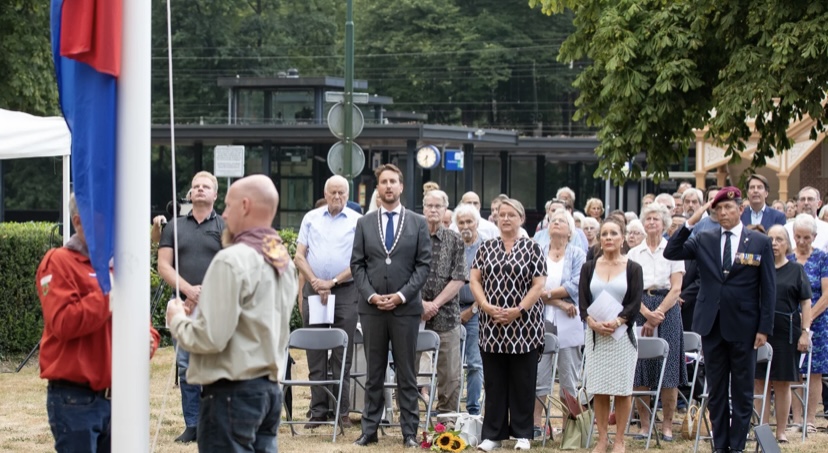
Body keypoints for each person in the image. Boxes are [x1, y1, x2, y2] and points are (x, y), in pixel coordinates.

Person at [167, 175, 298, 452]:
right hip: (269, 392)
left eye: (227, 205)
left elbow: (210, 338)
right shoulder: (283, 260)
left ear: (246, 206)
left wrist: (177, 320)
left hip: (231, 393)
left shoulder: (232, 259)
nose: (224, 214)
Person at [37, 194, 161, 453]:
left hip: (119, 398)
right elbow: (63, 323)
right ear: (78, 222)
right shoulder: (59, 262)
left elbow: (143, 322)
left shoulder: (121, 265)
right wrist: (109, 295)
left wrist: (148, 340)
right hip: (76, 400)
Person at [664, 187, 775, 453]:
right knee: (715, 391)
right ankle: (720, 445)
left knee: (742, 391)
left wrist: (764, 327)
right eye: (718, 208)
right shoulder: (705, 237)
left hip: (745, 327)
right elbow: (672, 251)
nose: (723, 212)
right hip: (712, 324)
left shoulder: (758, 242)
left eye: (729, 207)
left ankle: (737, 446)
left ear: (741, 209)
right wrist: (692, 219)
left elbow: (768, 288)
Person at [350, 164, 431, 448]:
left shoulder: (417, 222)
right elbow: (357, 264)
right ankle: (369, 430)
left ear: (401, 186)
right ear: (378, 188)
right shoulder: (364, 222)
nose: (388, 186)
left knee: (406, 374)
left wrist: (401, 296)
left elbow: (423, 266)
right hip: (371, 309)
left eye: (393, 182)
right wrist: (371, 295)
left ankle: (409, 431)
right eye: (383, 182)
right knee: (374, 372)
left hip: (405, 309)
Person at [471, 198, 546, 451]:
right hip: (491, 325)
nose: (505, 219)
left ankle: (523, 434)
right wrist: (485, 306)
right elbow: (475, 280)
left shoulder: (533, 247)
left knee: (523, 380)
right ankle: (493, 434)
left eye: (511, 215)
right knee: (494, 381)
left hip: (524, 325)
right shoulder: (486, 247)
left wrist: (519, 310)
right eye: (501, 215)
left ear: (521, 219)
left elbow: (539, 284)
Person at [156, 171, 225, 443]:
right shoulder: (174, 226)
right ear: (189, 194)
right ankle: (192, 424)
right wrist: (188, 290)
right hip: (183, 308)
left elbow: (231, 265)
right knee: (186, 365)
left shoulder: (225, 227)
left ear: (215, 194)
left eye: (205, 186)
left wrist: (204, 292)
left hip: (216, 308)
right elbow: (163, 265)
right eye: (195, 186)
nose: (199, 190)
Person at [293, 175, 361, 429]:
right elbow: (299, 256)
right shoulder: (311, 218)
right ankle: (318, 410)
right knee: (316, 351)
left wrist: (331, 282)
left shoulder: (357, 221)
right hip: (315, 289)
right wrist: (316, 281)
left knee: (343, 351)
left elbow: (359, 261)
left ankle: (341, 411)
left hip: (345, 291)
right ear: (325, 192)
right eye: (333, 192)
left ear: (347, 193)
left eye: (342, 193)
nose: (337, 197)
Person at [579, 217, 643, 453]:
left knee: (622, 389)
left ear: (622, 238)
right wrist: (592, 323)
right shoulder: (589, 267)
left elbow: (635, 302)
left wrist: (618, 321)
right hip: (596, 335)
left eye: (613, 233)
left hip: (622, 335)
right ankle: (603, 438)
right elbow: (583, 302)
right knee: (600, 388)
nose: (608, 238)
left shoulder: (633, 268)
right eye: (604, 234)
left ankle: (619, 440)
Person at [627, 203, 686, 441]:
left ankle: (668, 427)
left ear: (664, 223)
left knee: (668, 369)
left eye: (656, 219)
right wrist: (646, 314)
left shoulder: (674, 249)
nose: (651, 222)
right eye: (648, 218)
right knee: (641, 369)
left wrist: (657, 314)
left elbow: (677, 288)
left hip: (668, 308)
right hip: (640, 306)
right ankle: (644, 425)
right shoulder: (633, 253)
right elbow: (630, 289)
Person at [754, 225, 812, 442]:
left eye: (779, 239)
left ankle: (780, 431)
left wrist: (805, 332)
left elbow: (805, 303)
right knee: (760, 381)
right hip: (760, 331)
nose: (774, 243)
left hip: (787, 331)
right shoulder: (759, 268)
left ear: (787, 244)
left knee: (782, 382)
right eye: (770, 239)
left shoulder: (796, 269)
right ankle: (763, 429)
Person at [533, 208, 585, 437]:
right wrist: (559, 302)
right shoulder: (538, 251)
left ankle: (570, 428)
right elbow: (531, 286)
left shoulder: (577, 254)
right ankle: (536, 425)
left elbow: (575, 285)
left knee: (568, 374)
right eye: (553, 220)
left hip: (569, 319)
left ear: (570, 230)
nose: (556, 223)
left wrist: (550, 297)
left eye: (562, 221)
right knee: (539, 372)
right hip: (540, 318)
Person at [418, 190, 466, 414]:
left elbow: (459, 278)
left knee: (449, 372)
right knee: (408, 367)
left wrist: (434, 304)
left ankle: (447, 417)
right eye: (430, 205)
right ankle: (409, 416)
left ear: (446, 210)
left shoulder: (455, 239)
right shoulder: (413, 236)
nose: (434, 210)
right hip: (413, 314)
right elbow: (402, 274)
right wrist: (420, 304)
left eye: (438, 206)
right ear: (423, 208)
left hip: (446, 315)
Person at [788, 214, 828, 434]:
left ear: (814, 237)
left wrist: (809, 317)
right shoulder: (788, 259)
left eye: (806, 237)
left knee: (814, 371)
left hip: (818, 323)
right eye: (798, 237)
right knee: (794, 370)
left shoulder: (822, 258)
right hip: (790, 322)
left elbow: (826, 293)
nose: (801, 242)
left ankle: (810, 420)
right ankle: (796, 419)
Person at [454, 204, 484, 415]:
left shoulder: (486, 247)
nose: (465, 226)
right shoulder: (453, 245)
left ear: (477, 223)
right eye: (461, 222)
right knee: (450, 364)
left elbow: (490, 284)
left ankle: (473, 409)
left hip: (477, 311)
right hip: (451, 310)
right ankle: (450, 409)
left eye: (469, 222)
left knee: (474, 363)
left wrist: (472, 310)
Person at [786, 187, 828, 252]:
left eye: (810, 199)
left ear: (819, 204)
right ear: (797, 204)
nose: (806, 203)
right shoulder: (787, 229)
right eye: (802, 199)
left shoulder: (826, 229)